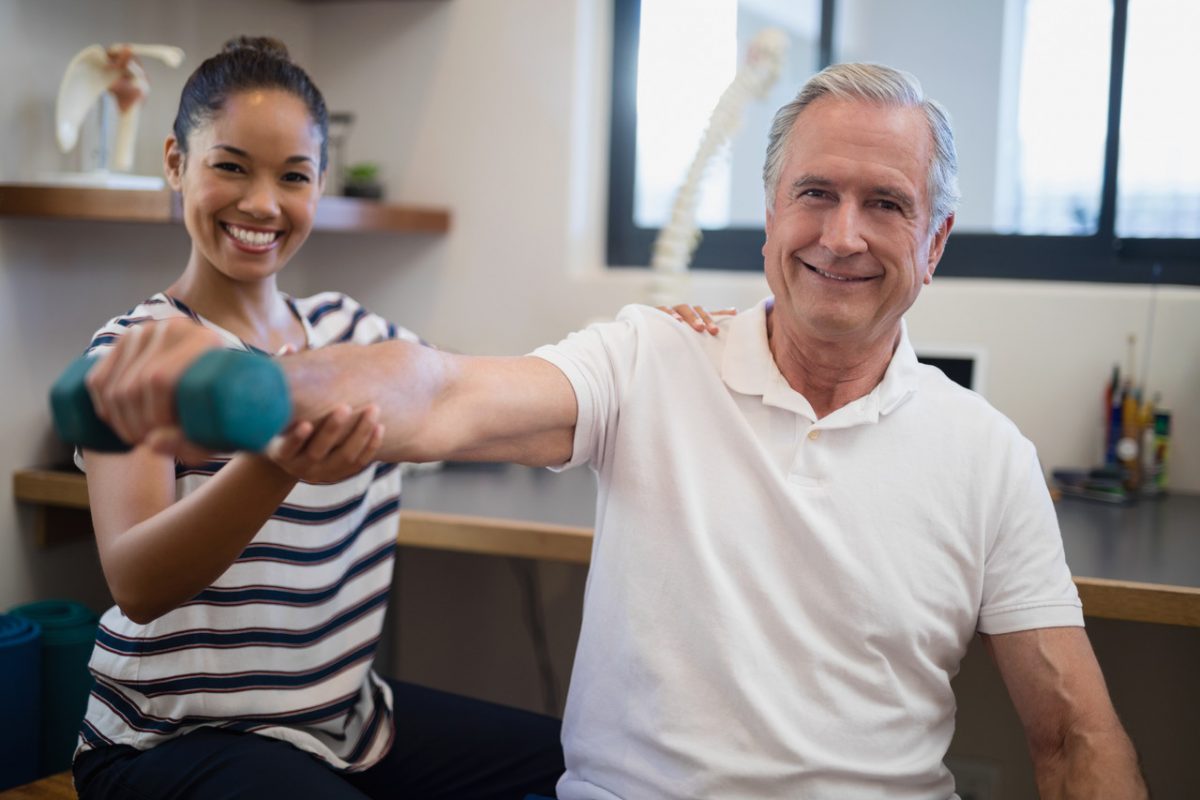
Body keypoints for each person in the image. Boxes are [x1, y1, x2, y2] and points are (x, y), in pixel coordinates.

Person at [84, 63, 1148, 799]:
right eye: (813, 193)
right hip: (190, 739)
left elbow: (1074, 732)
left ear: (938, 239)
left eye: (887, 203)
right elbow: (437, 389)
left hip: (340, 715)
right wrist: (227, 395)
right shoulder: (651, 356)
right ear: (770, 211)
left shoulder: (987, 452)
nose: (842, 235)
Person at [70, 36, 571, 800]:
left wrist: (660, 353)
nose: (262, 203)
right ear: (176, 162)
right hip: (167, 742)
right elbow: (136, 582)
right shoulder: (135, 354)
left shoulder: (357, 335)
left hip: (342, 722)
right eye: (230, 165)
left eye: (293, 176)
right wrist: (275, 465)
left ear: (320, 184)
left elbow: (476, 404)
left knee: (589, 765)